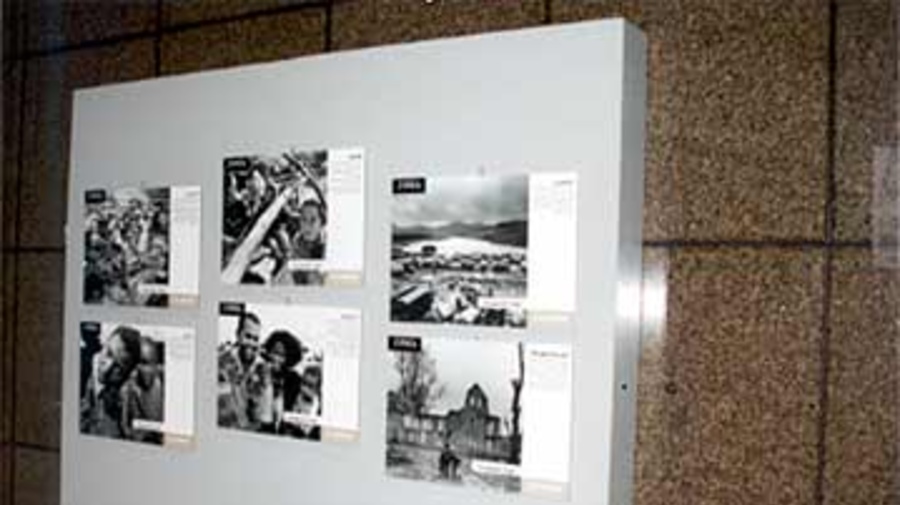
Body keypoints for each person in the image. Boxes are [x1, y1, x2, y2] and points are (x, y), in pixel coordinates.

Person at [80, 326, 143, 439]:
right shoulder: (88, 372)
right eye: (108, 352)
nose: (107, 368)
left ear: (127, 375)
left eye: (118, 367)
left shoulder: (125, 403)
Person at [218, 312, 274, 431]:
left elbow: (265, 417)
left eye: (256, 339)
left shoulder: (263, 369)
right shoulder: (221, 362)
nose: (252, 343)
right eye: (248, 336)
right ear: (238, 335)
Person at [260, 330, 306, 435]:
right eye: (275, 352)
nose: (276, 358)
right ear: (268, 352)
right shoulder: (261, 372)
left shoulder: (295, 380)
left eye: (282, 355)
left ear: (289, 358)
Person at [121, 336, 165, 444]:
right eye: (134, 363)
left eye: (144, 363)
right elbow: (126, 429)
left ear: (156, 366)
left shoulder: (167, 387)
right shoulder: (128, 389)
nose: (136, 372)